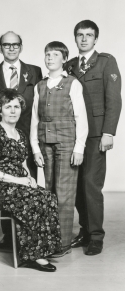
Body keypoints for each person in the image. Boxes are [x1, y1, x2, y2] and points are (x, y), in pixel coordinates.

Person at [0, 88, 62, 272]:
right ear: (0, 109)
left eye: (16, 106)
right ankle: (33, 255)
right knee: (32, 199)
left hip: (16, 181)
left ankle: (43, 248)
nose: (13, 111)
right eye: (8, 107)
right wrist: (17, 180)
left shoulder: (20, 134)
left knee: (48, 196)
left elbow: (22, 163)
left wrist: (28, 177)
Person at [66, 20, 122, 255]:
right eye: (80, 35)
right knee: (77, 186)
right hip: (73, 136)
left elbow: (114, 99)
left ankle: (96, 237)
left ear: (96, 39)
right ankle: (85, 231)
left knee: (91, 185)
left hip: (96, 134)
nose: (84, 39)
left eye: (89, 35)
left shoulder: (106, 62)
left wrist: (108, 132)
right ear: (75, 38)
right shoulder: (68, 65)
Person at [30, 41, 88, 258]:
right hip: (46, 144)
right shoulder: (40, 86)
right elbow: (35, 119)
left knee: (64, 194)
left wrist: (79, 148)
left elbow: (80, 117)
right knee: (50, 193)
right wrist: (35, 147)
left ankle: (61, 244)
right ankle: (50, 239)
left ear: (64, 59)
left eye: (55, 54)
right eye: (47, 54)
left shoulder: (72, 83)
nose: (50, 58)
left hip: (67, 144)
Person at [0, 31, 42, 250]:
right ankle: (9, 237)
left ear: (21, 46)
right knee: (7, 185)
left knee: (29, 186)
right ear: (0, 48)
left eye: (15, 44)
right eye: (6, 45)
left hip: (28, 139)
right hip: (2, 142)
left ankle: (28, 234)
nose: (11, 48)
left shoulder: (35, 72)